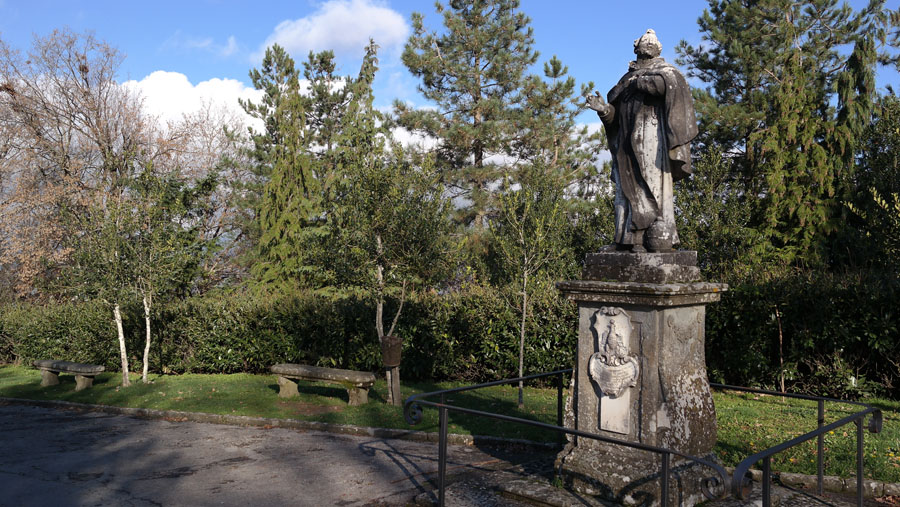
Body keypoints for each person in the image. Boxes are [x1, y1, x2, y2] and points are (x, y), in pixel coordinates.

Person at [587, 29, 697, 252]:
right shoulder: (626, 79)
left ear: (657, 49)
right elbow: (615, 119)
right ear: (636, 48)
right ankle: (626, 241)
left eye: (652, 42)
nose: (649, 40)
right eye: (644, 41)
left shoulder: (666, 72)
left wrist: (641, 83)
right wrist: (604, 110)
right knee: (625, 192)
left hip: (652, 138)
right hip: (626, 144)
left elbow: (668, 86)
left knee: (651, 184)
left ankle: (655, 239)